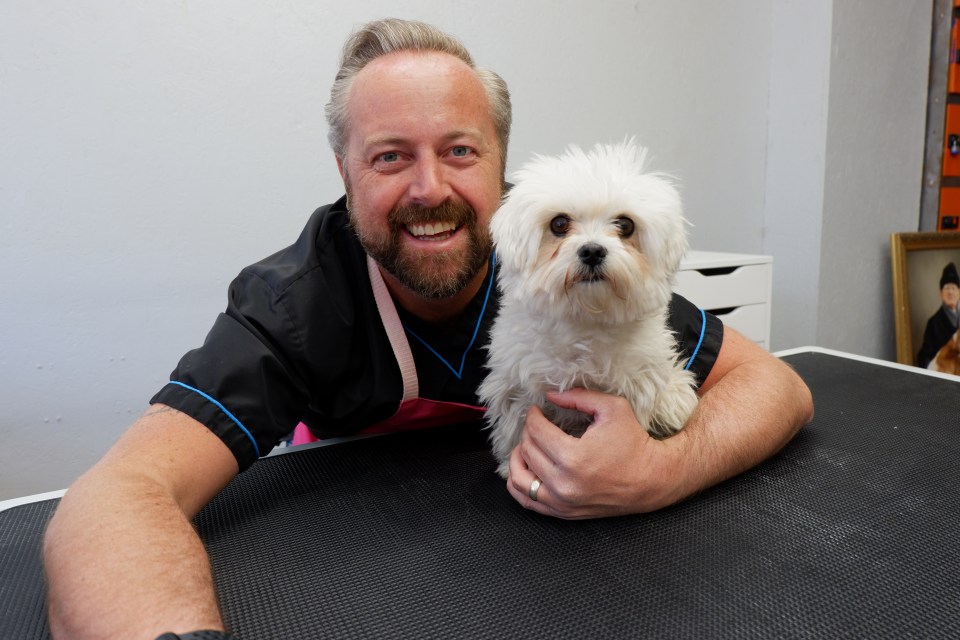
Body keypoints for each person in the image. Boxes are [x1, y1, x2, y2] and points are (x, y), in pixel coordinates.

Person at [42, 18, 814, 640]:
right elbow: (119, 493)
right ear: (345, 172)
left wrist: (663, 473)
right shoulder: (293, 305)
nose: (429, 188)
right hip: (361, 577)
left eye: (460, 151)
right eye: (388, 157)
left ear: (501, 163)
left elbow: (774, 385)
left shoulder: (569, 263)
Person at [917, 262, 960, 369]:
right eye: (946, 288)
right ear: (941, 293)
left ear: (959, 292)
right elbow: (925, 356)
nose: (950, 292)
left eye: (953, 288)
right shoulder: (934, 323)